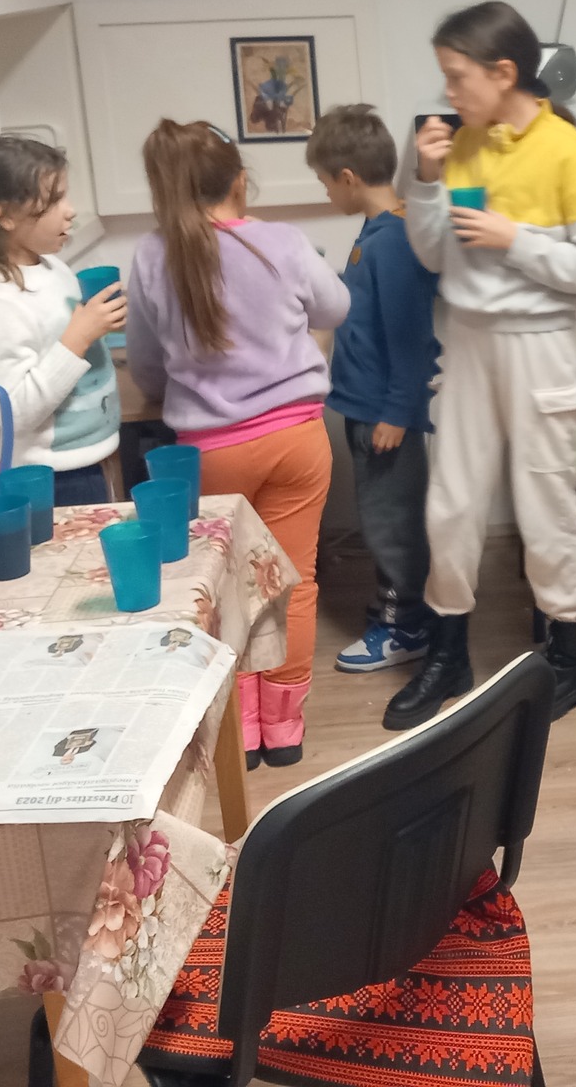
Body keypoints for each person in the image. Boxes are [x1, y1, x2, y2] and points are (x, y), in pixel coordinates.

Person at [386, 1, 576, 729]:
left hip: (540, 343)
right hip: (468, 340)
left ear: (504, 73)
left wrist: (512, 237)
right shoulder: (463, 145)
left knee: (546, 506)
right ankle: (448, 653)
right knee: (451, 504)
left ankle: (574, 661)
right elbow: (434, 253)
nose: (448, 92)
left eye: (458, 76)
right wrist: (426, 179)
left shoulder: (567, 151)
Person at [127, 119, 350, 770]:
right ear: (240, 181)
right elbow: (335, 307)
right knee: (292, 584)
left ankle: (243, 732)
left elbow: (145, 364)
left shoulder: (152, 255)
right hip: (296, 441)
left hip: (210, 453)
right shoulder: (282, 242)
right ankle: (283, 730)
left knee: (228, 589)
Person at [307, 104, 442, 675]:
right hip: (365, 406)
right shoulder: (377, 233)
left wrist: (396, 412)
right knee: (382, 519)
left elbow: (412, 338)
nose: (326, 193)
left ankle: (403, 625)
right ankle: (398, 608)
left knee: (392, 526)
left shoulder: (395, 241)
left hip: (385, 414)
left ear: (348, 177)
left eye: (325, 182)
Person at [0, 134, 124, 506]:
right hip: (49, 477)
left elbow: (61, 340)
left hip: (88, 459)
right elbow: (12, 413)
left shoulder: (53, 268)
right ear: (5, 215)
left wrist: (99, 326)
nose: (70, 211)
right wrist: (79, 337)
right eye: (53, 200)